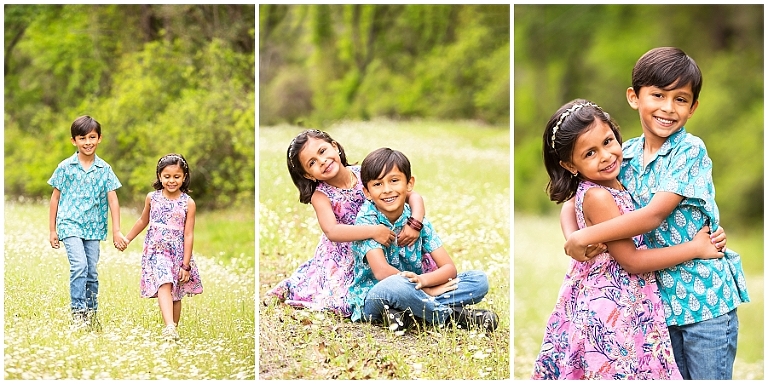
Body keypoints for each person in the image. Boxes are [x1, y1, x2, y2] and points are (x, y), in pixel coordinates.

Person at [561, 48, 750, 380]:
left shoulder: (689, 150)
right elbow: (574, 199)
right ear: (635, 98)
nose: (667, 108)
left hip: (704, 299)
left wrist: (585, 236)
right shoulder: (623, 153)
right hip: (656, 307)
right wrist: (571, 237)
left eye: (680, 99)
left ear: (693, 108)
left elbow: (653, 216)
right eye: (658, 95)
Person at [532, 99, 725, 379]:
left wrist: (576, 236)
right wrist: (695, 247)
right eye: (589, 154)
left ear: (615, 131)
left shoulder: (610, 179)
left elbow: (570, 204)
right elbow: (632, 261)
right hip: (613, 307)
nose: (606, 156)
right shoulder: (599, 195)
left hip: (619, 301)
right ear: (569, 165)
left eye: (608, 141)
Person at [265, 129, 435, 317]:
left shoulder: (365, 172)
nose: (322, 161)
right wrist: (373, 231)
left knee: (415, 273)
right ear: (308, 175)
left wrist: (415, 223)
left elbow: (413, 196)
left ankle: (413, 293)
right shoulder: (320, 195)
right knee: (345, 297)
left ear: (335, 147)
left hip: (384, 244)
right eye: (312, 163)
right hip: (347, 254)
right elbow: (332, 231)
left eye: (322, 151)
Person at [348, 147, 499, 333]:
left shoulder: (417, 221)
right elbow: (381, 272)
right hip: (377, 295)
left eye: (394, 181)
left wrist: (423, 281)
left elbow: (449, 269)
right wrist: (426, 291)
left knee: (479, 280)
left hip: (416, 285)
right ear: (367, 192)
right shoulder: (367, 221)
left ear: (409, 184)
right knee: (397, 286)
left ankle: (406, 313)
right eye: (378, 184)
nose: (387, 190)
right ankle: (451, 316)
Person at [48, 115, 126, 331]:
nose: (88, 142)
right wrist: (53, 230)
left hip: (93, 227)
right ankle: (78, 314)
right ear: (74, 141)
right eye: (82, 138)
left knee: (91, 271)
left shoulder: (105, 169)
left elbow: (113, 199)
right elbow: (55, 198)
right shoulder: (65, 167)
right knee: (79, 266)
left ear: (99, 138)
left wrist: (117, 231)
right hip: (70, 224)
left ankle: (91, 315)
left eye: (92, 137)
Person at [121, 153, 203, 341]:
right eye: (167, 176)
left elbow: (188, 234)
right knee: (164, 283)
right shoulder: (153, 198)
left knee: (176, 293)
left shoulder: (188, 203)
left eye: (176, 176)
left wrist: (186, 265)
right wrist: (127, 239)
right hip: (157, 251)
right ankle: (169, 326)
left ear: (184, 177)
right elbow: (143, 220)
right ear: (159, 176)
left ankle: (172, 332)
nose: (172, 181)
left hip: (178, 253)